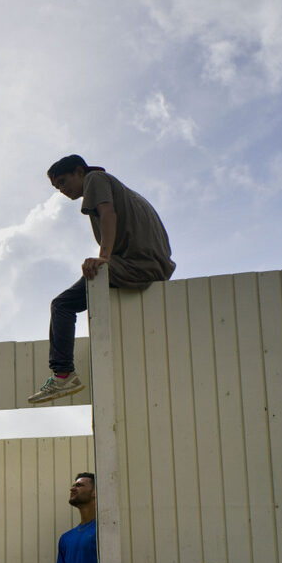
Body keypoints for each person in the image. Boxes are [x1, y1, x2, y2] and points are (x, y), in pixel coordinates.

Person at [29, 155, 175, 404]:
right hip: (151, 261)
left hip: (138, 265)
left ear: (79, 171)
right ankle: (63, 374)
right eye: (58, 188)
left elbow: (108, 213)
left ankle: (63, 375)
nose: (63, 191)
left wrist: (104, 258)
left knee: (62, 304)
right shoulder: (114, 185)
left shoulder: (95, 178)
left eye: (64, 182)